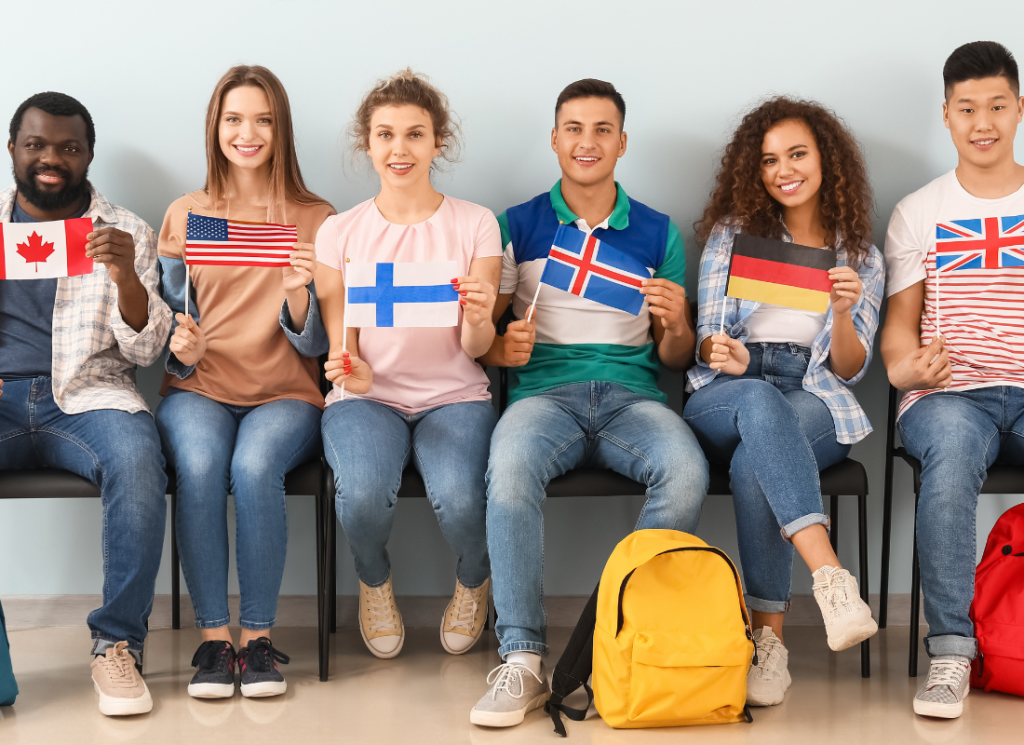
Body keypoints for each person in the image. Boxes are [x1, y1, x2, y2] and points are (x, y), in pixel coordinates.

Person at [470, 79, 708, 728]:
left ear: (622, 143)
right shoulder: (515, 224)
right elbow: (480, 343)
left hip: (633, 396)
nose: (587, 142)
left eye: (602, 129)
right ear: (555, 140)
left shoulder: (658, 231)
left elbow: (675, 358)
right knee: (510, 470)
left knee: (686, 470)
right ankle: (522, 658)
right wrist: (502, 347)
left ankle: (614, 637)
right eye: (574, 128)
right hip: (543, 397)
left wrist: (678, 322)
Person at [684, 97, 883, 707]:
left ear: (826, 160)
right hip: (731, 389)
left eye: (797, 154)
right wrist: (725, 352)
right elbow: (708, 338)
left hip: (814, 391)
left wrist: (845, 311)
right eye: (769, 160)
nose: (783, 170)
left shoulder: (860, 257)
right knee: (758, 411)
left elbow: (851, 366)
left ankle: (767, 643)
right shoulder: (732, 236)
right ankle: (829, 575)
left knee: (755, 462)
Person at [155, 66, 333, 700]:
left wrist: (298, 301)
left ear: (280, 128)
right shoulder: (187, 214)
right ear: (216, 126)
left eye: (262, 119)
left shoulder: (316, 219)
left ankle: (257, 641)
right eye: (234, 119)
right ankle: (213, 641)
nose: (247, 132)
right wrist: (184, 345)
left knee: (256, 468)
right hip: (200, 389)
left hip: (286, 393)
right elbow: (171, 327)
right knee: (201, 466)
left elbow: (322, 344)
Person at [311, 69, 501, 660]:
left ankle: (474, 583)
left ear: (437, 142)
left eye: (415, 134)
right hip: (368, 399)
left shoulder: (476, 223)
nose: (400, 149)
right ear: (366, 144)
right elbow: (342, 340)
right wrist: (354, 371)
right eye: (385, 135)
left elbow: (478, 348)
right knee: (362, 494)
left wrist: (476, 314)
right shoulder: (338, 232)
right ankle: (373, 583)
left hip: (456, 395)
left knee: (466, 500)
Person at [0, 92, 171, 716]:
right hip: (3, 393)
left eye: (68, 148)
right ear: (14, 150)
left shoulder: (127, 231)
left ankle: (116, 645)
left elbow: (148, 348)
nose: (52, 159)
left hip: (89, 395)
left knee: (137, 461)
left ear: (88, 155)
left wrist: (126, 277)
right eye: (36, 145)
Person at [881, 40, 1024, 720]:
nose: (983, 121)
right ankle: (950, 650)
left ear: (1019, 108)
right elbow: (899, 328)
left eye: (997, 105)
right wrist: (905, 367)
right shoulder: (919, 211)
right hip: (949, 395)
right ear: (946, 116)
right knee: (953, 457)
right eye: (967, 108)